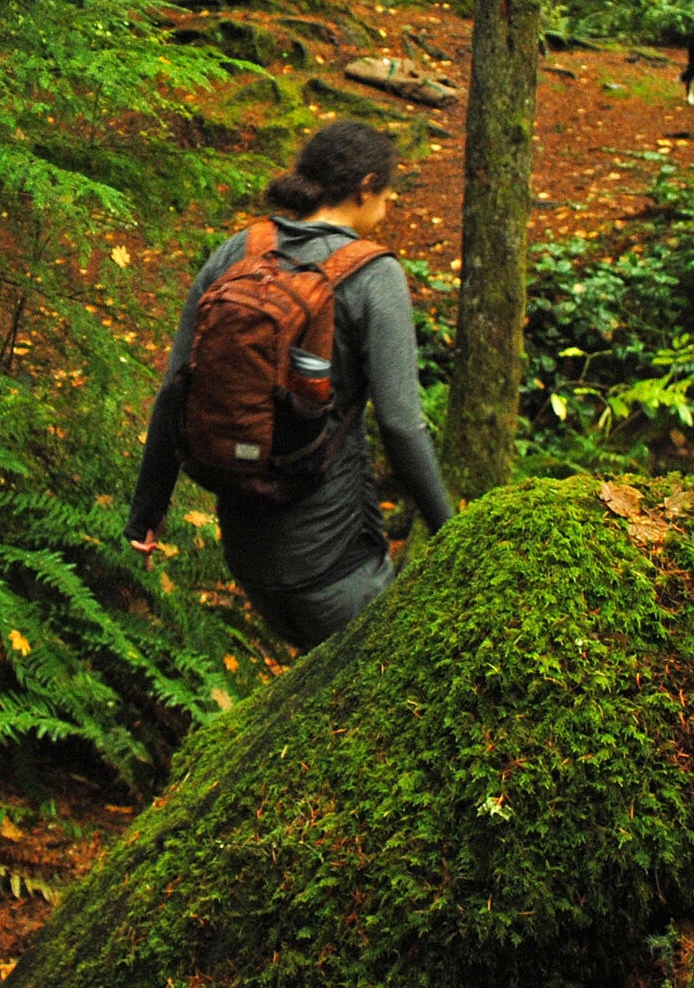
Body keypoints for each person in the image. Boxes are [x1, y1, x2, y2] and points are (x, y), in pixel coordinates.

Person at [125, 121, 455, 648]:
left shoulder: (240, 251)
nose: (387, 206)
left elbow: (174, 389)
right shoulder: (374, 275)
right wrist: (454, 534)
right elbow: (400, 423)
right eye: (387, 193)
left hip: (248, 556)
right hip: (337, 562)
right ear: (366, 186)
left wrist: (147, 511)